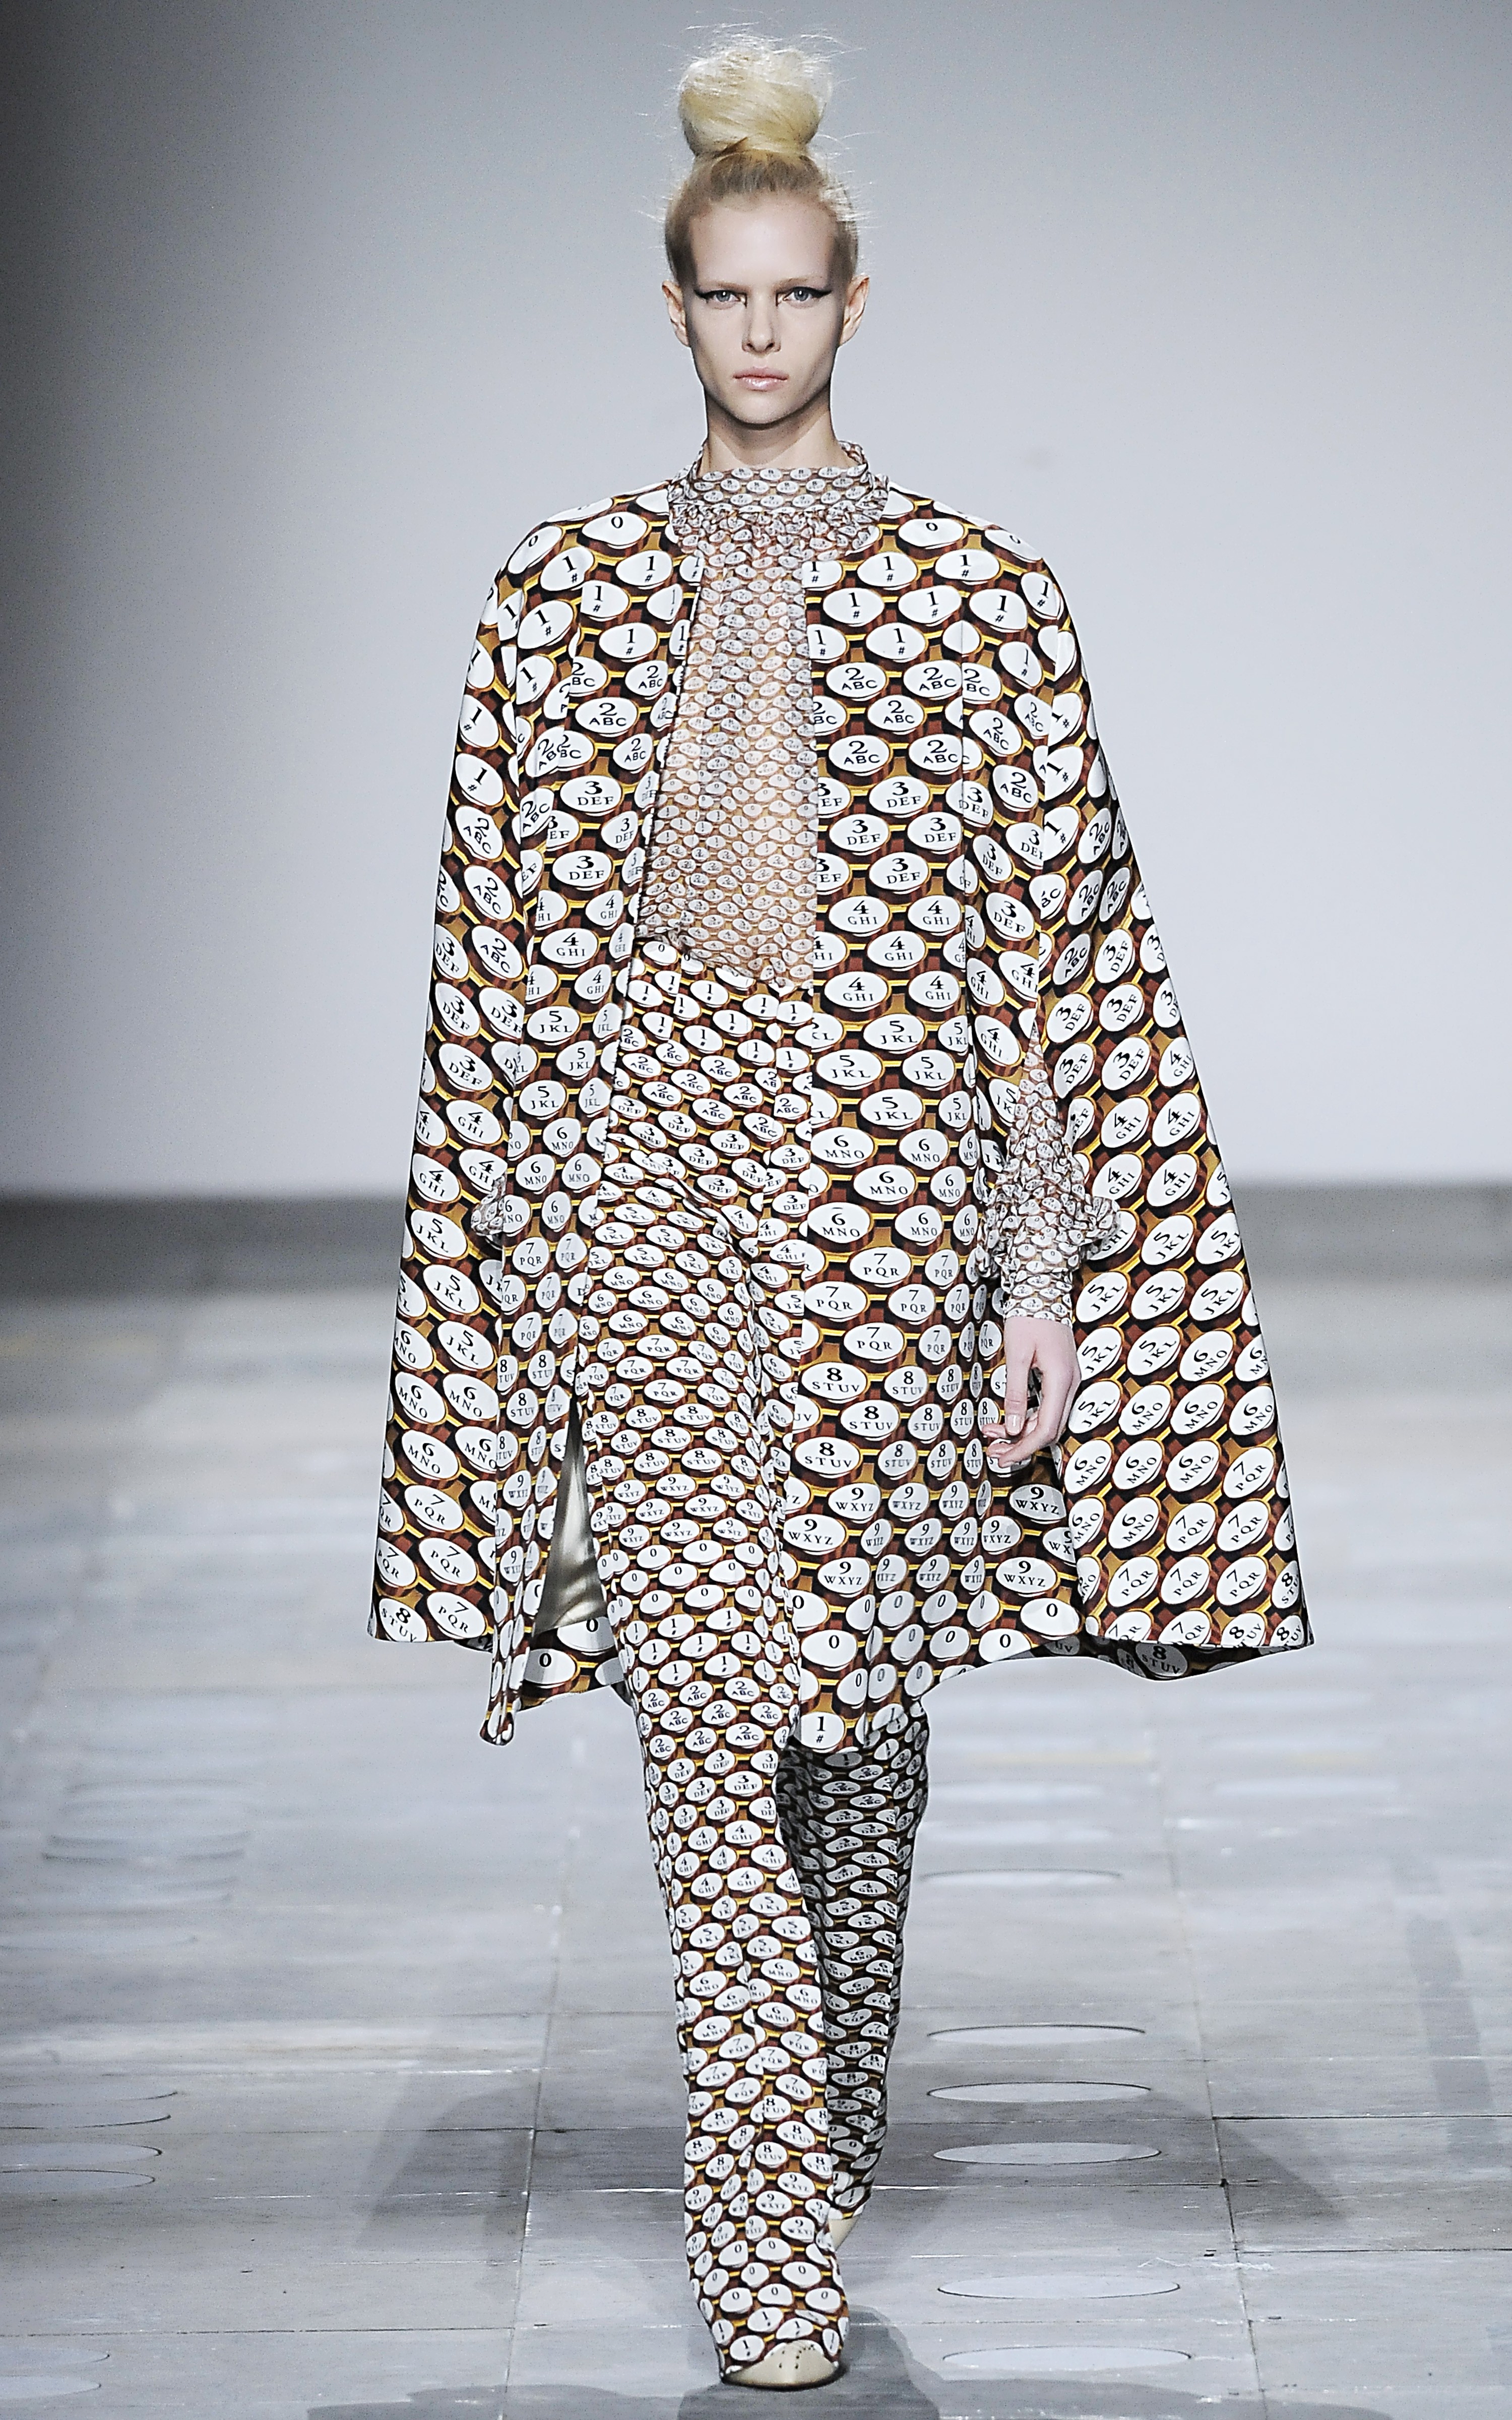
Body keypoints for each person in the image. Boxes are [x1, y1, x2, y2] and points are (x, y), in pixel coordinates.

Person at [371, 39, 1309, 2391]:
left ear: (855, 304)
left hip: (899, 1198)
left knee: (852, 1705)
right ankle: (768, 2242)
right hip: (648, 1181)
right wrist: (510, 1285)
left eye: (799, 293)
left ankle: (825, 2105)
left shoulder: (987, 597)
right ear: (675, 306)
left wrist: (1042, 1276)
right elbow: (489, 958)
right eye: (730, 294)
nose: (765, 331)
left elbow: (1058, 958)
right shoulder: (559, 593)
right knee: (707, 1711)